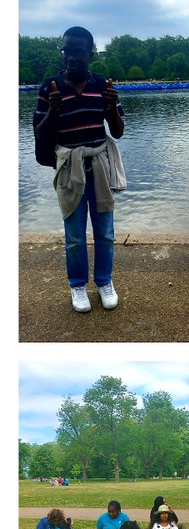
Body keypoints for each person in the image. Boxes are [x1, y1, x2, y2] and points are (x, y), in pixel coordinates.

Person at [31, 26, 126, 314]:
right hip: (70, 168)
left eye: (77, 51)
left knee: (105, 233)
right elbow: (39, 133)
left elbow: (118, 131)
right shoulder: (51, 87)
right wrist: (52, 112)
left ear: (90, 53)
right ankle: (77, 285)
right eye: (66, 51)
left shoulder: (102, 86)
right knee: (74, 235)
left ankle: (104, 282)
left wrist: (111, 109)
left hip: (99, 166)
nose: (71, 57)